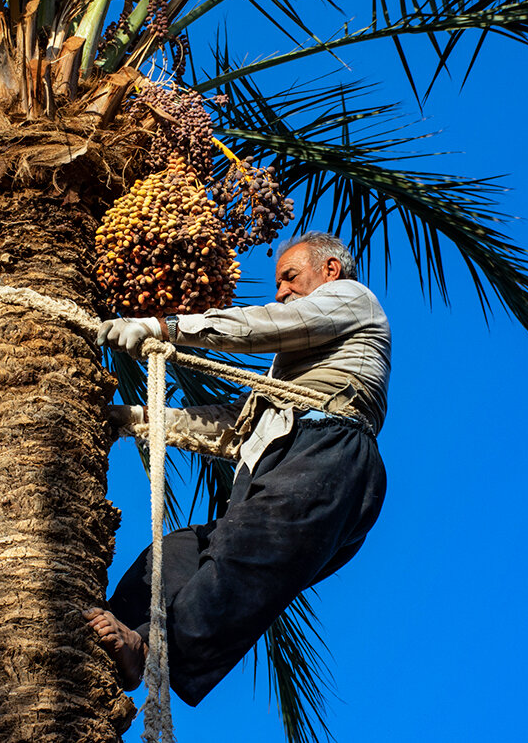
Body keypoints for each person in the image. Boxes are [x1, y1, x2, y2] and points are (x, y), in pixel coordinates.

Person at [83, 231, 391, 707]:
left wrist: (165, 328)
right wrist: (135, 420)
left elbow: (271, 323)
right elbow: (234, 428)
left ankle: (152, 653)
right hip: (282, 461)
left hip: (331, 452)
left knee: (245, 552)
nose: (281, 291)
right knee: (182, 553)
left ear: (330, 270)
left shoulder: (352, 299)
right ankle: (120, 642)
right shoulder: (287, 374)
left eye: (289, 277)